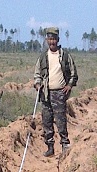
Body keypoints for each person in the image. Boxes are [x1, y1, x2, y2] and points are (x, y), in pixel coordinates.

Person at [33, 27, 78, 157]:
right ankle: (50, 148)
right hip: (46, 94)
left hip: (60, 94)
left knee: (61, 121)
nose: (52, 42)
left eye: (54, 39)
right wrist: (37, 83)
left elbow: (74, 73)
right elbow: (37, 74)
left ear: (58, 40)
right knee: (46, 121)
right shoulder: (42, 57)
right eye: (49, 39)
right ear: (47, 40)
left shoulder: (64, 55)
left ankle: (65, 145)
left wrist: (69, 85)